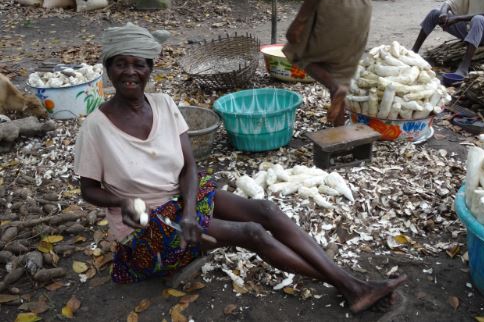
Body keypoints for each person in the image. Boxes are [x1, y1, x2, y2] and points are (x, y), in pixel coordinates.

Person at [74, 23, 406, 314]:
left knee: (266, 209)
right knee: (251, 233)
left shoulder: (164, 104)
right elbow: (88, 189)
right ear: (108, 69)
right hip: (145, 226)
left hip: (179, 203)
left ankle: (353, 285)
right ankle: (354, 287)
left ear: (150, 69)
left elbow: (189, 167)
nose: (130, 72)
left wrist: (189, 211)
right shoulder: (96, 128)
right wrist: (121, 202)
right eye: (121, 64)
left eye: (138, 64)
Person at [283, 0, 372, 127]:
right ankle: (340, 135)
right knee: (342, 73)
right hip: (362, 2)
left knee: (296, 52)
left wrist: (299, 21)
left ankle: (334, 87)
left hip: (337, 1)